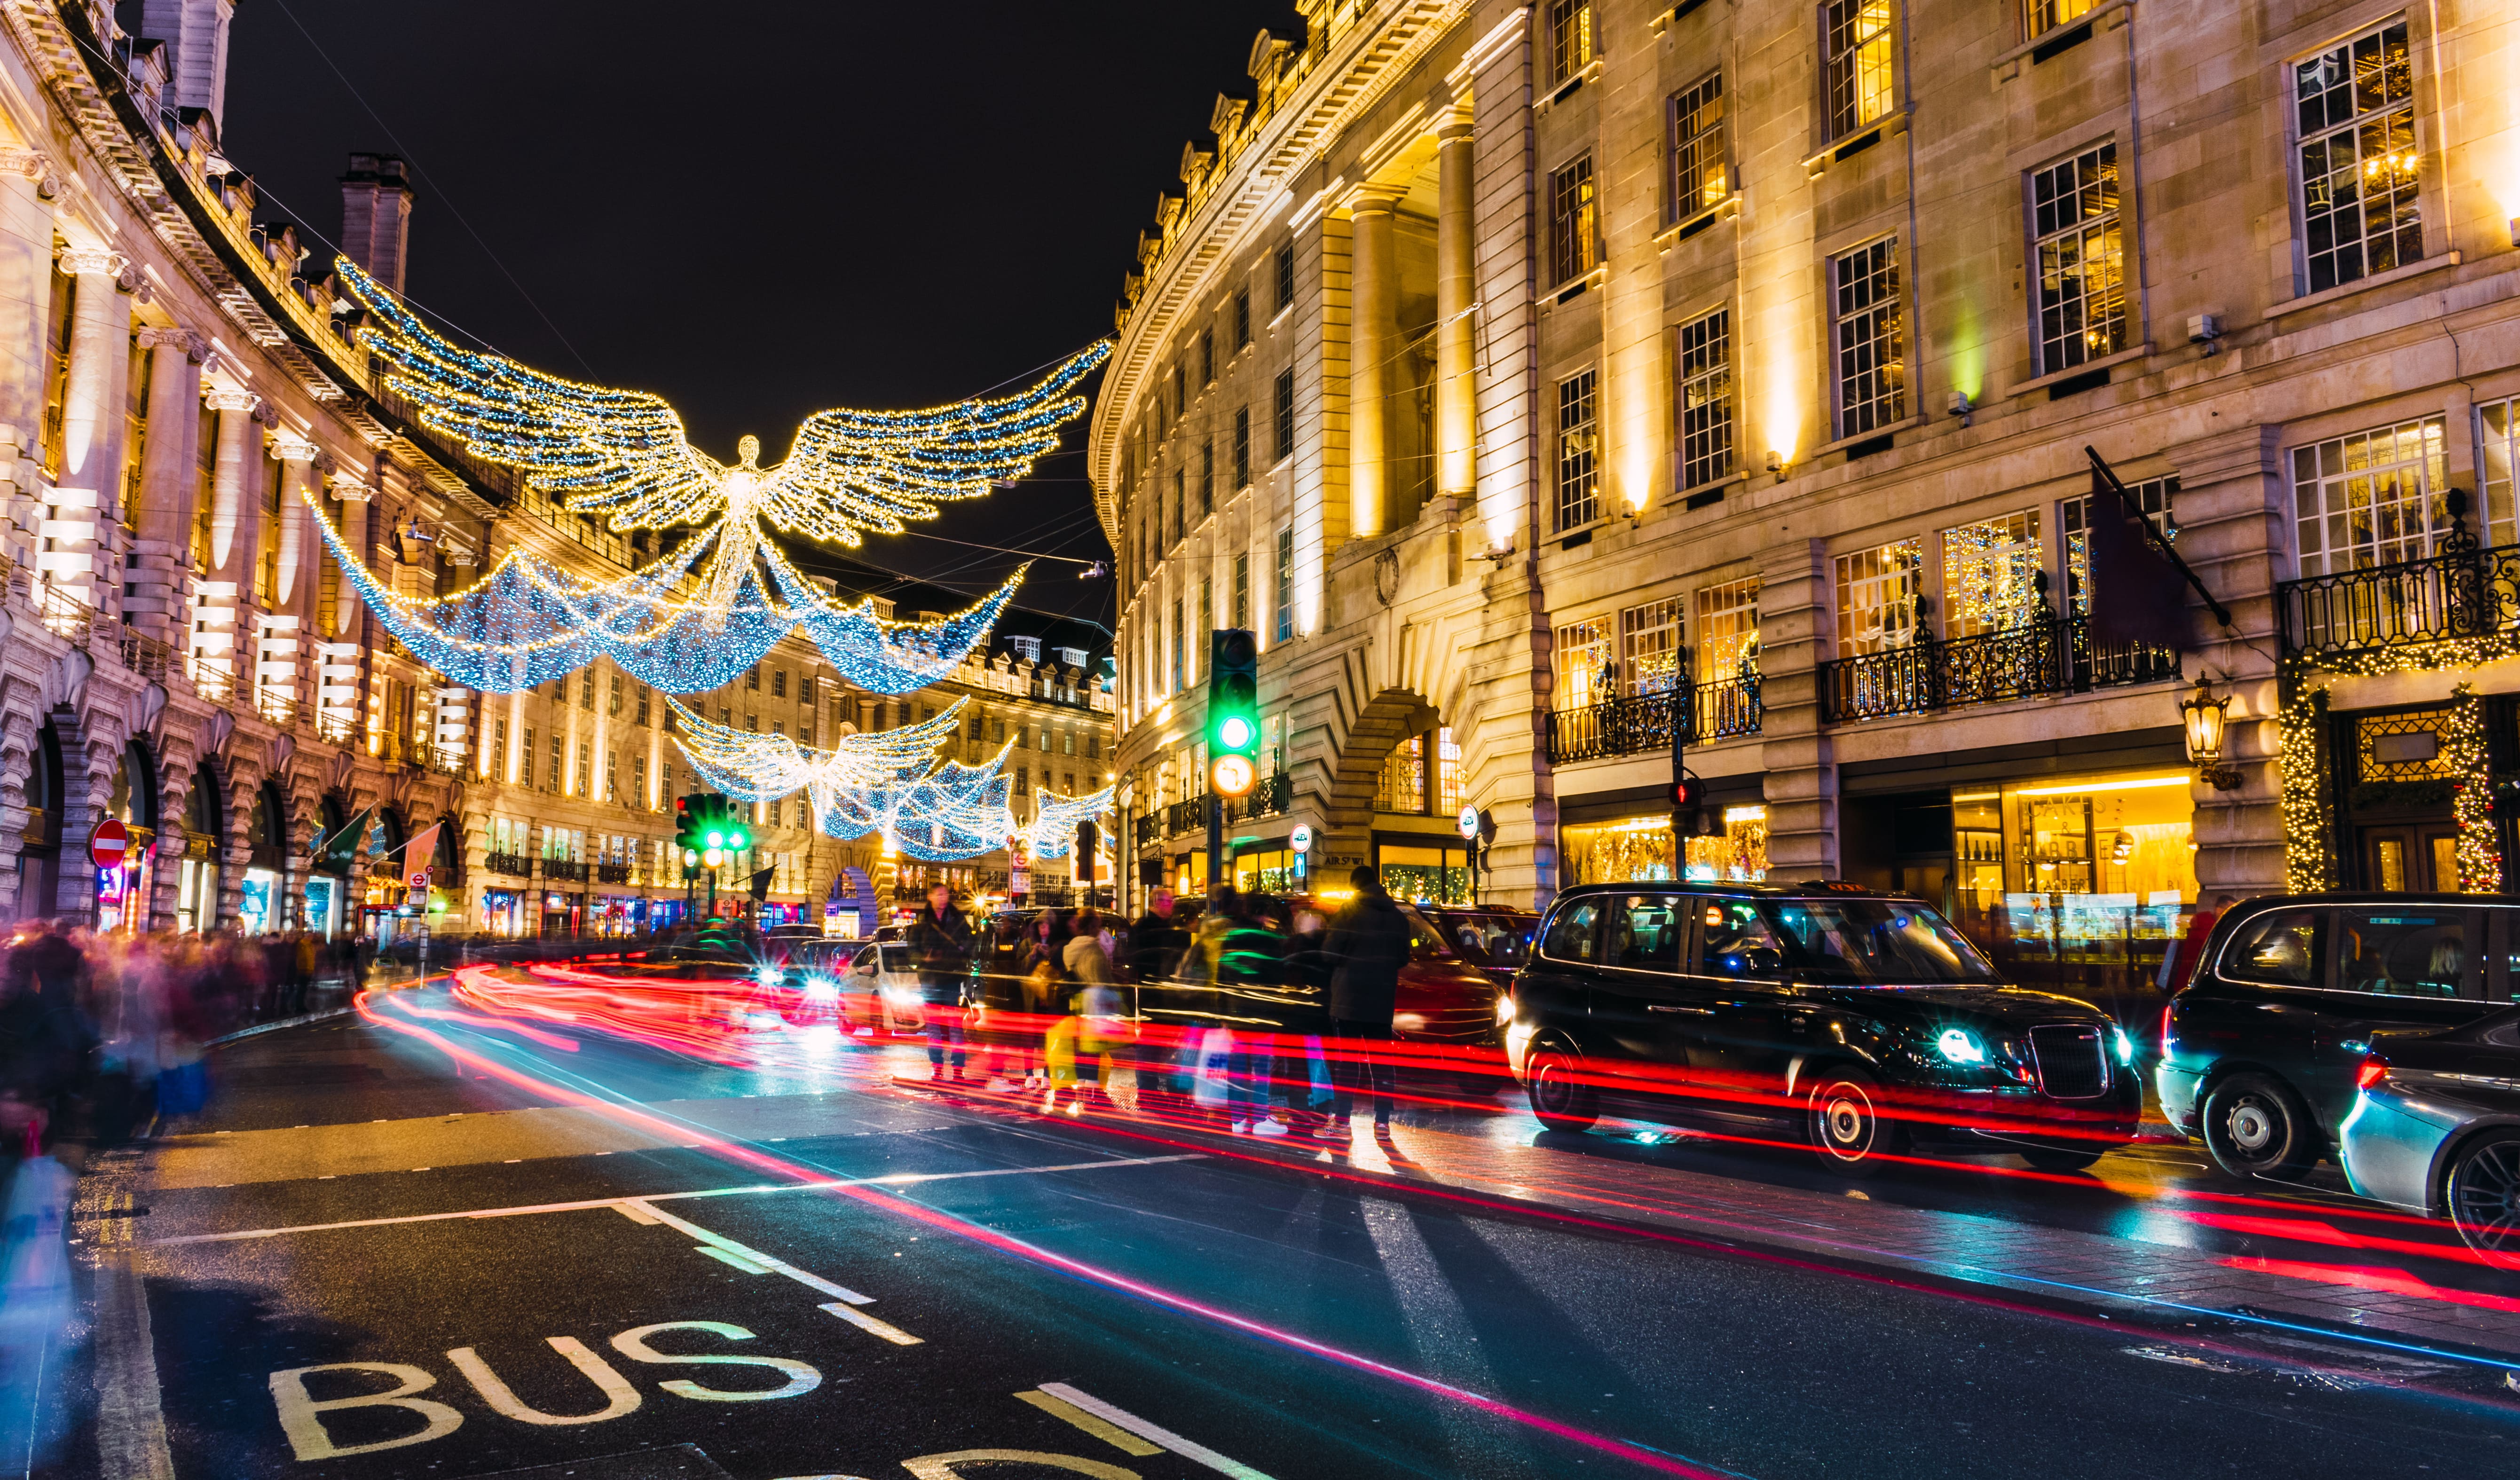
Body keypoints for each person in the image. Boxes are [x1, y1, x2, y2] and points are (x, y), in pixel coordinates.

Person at [1323, 865, 1411, 1139]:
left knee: (1348, 1062)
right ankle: (1383, 1123)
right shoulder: (1399, 917)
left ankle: (1342, 1123)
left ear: (1355, 887)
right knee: (1382, 1061)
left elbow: (1328, 953)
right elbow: (1403, 958)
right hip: (1382, 1000)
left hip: (1348, 1000)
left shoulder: (1348, 913)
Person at [906, 882, 976, 1081]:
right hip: (930, 979)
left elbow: (972, 941)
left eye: (945, 894)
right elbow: (911, 952)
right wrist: (923, 960)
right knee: (934, 1025)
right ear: (931, 897)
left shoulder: (958, 920)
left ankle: (958, 1068)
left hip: (952, 978)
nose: (943, 898)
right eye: (939, 894)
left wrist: (961, 952)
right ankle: (937, 1066)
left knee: (955, 1025)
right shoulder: (922, 924)